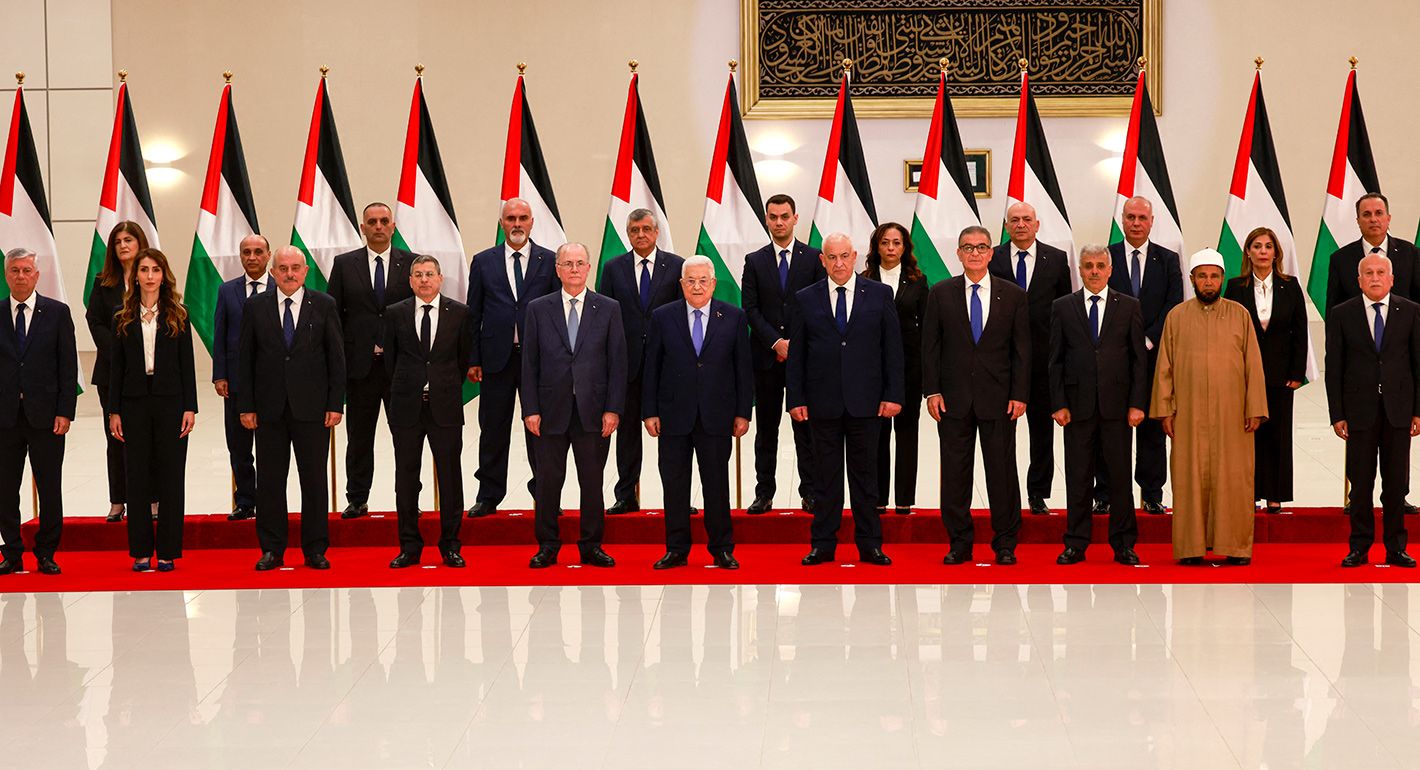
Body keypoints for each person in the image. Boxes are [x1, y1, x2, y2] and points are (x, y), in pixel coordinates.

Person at [788, 233, 904, 565]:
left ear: (854, 257)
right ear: (822, 261)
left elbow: (892, 349)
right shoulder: (805, 298)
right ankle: (823, 543)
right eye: (831, 258)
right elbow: (797, 354)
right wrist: (795, 398)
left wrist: (893, 394)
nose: (838, 264)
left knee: (866, 477)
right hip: (820, 403)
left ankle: (870, 544)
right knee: (825, 478)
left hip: (866, 403)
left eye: (844, 256)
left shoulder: (880, 294)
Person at [1151, 248, 1268, 565]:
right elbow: (1165, 366)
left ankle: (1236, 547)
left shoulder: (1239, 315)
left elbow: (1253, 365)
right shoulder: (1177, 316)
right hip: (1188, 415)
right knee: (1189, 479)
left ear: (1222, 279)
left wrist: (1254, 406)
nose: (1208, 282)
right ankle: (1190, 548)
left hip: (1233, 416)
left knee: (1234, 480)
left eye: (1214, 276)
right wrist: (1164, 409)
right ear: (1192, 280)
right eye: (1202, 276)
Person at [923, 226, 1031, 565]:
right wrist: (932, 391)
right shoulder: (940, 293)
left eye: (981, 247)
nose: (974, 253)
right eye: (967, 247)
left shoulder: (1013, 295)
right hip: (952, 399)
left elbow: (1022, 351)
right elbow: (930, 348)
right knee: (955, 473)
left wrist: (1019, 394)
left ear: (991, 253)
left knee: (1001, 471)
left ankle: (1005, 542)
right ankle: (959, 542)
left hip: (999, 399)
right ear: (958, 253)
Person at [236, 246, 345, 571]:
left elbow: (336, 357)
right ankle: (272, 549)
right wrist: (247, 406)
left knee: (313, 480)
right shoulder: (256, 307)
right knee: (270, 481)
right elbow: (246, 358)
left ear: (305, 271)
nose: (289, 274)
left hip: (312, 409)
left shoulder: (324, 305)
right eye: (282, 268)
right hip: (269, 409)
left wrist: (334, 403)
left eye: (295, 268)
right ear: (273, 272)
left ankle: (315, 549)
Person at [641, 255, 752, 569]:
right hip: (673, 416)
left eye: (703, 280)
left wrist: (743, 412)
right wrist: (649, 411)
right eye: (691, 280)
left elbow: (743, 369)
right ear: (681, 284)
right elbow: (653, 367)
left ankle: (721, 548)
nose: (697, 286)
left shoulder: (734, 317)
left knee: (716, 484)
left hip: (717, 416)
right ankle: (676, 549)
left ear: (714, 283)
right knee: (675, 485)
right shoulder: (663, 317)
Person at [521, 243, 626, 569]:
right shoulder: (539, 308)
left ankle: (591, 545)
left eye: (580, 263)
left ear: (589, 267)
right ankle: (548, 545)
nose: (574, 269)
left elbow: (617, 362)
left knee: (592, 482)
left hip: (594, 411)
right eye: (568, 263)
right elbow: (529, 363)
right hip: (550, 410)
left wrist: (613, 408)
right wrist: (530, 409)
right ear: (557, 269)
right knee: (548, 481)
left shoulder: (608, 308)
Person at [1048, 245, 1148, 565]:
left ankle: (1123, 544)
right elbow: (1055, 361)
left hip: (1117, 409)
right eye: (1088, 265)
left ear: (1110, 270)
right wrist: (1059, 403)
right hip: (1076, 409)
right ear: (1080, 269)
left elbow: (1138, 361)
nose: (1094, 271)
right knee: (1078, 478)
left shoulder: (1129, 306)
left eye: (1100, 265)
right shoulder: (1063, 307)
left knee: (1119, 478)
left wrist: (1137, 404)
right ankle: (1076, 543)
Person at [465, 198, 561, 518]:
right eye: (510, 219)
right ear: (502, 223)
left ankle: (545, 492)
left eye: (523, 218)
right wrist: (473, 358)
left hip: (540, 361)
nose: (517, 224)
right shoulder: (483, 261)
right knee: (493, 429)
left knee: (541, 429)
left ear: (532, 222)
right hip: (495, 360)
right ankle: (489, 493)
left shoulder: (550, 261)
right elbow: (474, 313)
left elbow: (558, 313)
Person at [1327, 253, 1420, 568]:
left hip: (1398, 410)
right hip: (1358, 412)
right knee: (1361, 484)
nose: (1376, 277)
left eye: (1382, 272)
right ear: (1359, 280)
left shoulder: (1411, 312)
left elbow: (1418, 365)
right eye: (1369, 273)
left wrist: (1418, 410)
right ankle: (1359, 547)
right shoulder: (1342, 314)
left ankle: (1396, 547)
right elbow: (1334, 367)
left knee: (1395, 484)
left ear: (1392, 279)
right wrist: (1337, 413)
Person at [108, 248, 197, 572]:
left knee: (172, 476)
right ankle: (142, 551)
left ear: (164, 275)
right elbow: (115, 368)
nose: (149, 276)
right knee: (138, 477)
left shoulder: (178, 314)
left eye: (155, 270)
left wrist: (190, 407)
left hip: (171, 402)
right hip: (133, 404)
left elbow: (187, 366)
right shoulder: (123, 316)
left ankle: (169, 550)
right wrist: (113, 410)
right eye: (143, 270)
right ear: (136, 276)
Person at [383, 255, 473, 569]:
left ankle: (450, 546)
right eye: (418, 274)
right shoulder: (395, 314)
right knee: (406, 479)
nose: (424, 280)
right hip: (406, 406)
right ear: (410, 280)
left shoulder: (460, 313)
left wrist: (440, 385)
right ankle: (409, 547)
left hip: (445, 407)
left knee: (450, 477)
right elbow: (390, 361)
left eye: (429, 274)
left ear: (440, 278)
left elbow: (462, 361)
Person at [326, 202, 414, 519]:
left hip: (400, 367)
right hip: (359, 367)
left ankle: (408, 499)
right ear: (363, 227)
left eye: (384, 221)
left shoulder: (412, 264)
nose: (378, 226)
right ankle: (357, 498)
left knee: (406, 437)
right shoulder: (345, 264)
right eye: (372, 222)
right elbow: (333, 317)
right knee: (359, 438)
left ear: (393, 226)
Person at [741, 193, 825, 514]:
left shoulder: (814, 258)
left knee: (806, 428)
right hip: (765, 359)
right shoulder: (755, 260)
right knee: (766, 430)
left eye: (784, 216)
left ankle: (811, 492)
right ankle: (764, 492)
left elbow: (818, 307)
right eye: (773, 217)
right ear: (766, 219)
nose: (779, 222)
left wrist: (795, 346)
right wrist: (776, 342)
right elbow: (750, 309)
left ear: (795, 218)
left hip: (804, 361)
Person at [597, 208, 684, 515]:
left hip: (666, 366)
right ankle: (625, 494)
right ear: (628, 233)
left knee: (673, 436)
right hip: (627, 364)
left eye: (647, 229)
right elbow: (602, 317)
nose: (641, 235)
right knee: (628, 434)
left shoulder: (676, 266)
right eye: (635, 230)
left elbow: (681, 317)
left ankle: (677, 498)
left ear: (657, 232)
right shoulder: (612, 268)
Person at [990, 202, 1072, 514]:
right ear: (1007, 226)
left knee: (1042, 431)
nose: (1021, 224)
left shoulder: (1056, 258)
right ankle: (1005, 492)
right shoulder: (993, 257)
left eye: (1027, 219)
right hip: (1001, 360)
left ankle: (1038, 492)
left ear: (1037, 224)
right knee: (1001, 432)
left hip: (1043, 360)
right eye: (1015, 220)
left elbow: (1064, 308)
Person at [0, 248, 77, 576]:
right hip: (4, 418)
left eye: (26, 270)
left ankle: (46, 552)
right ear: (7, 275)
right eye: (15, 270)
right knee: (4, 488)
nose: (20, 276)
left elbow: (67, 365)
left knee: (49, 486)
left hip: (46, 417)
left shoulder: (57, 313)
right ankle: (12, 552)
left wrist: (65, 411)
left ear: (37, 274)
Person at [1223, 227, 1309, 514]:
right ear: (1248, 251)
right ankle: (1251, 492)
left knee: (1278, 434)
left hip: (1281, 374)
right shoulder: (1236, 287)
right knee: (1247, 434)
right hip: (1244, 374)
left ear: (1276, 253)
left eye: (1268, 246)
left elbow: (1300, 331)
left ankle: (1276, 494)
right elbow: (1228, 331)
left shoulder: (1290, 285)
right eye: (1257, 246)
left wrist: (1297, 373)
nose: (1262, 251)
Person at [1106, 196, 1183, 515]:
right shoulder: (1106, 258)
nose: (1136, 223)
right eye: (1130, 217)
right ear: (1121, 221)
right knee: (1111, 429)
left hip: (1154, 358)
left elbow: (1173, 303)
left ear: (1152, 222)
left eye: (1142, 218)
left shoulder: (1166, 259)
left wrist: (1149, 339)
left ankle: (1152, 492)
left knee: (1152, 428)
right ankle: (1106, 492)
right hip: (1112, 359)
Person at [862, 222, 929, 515]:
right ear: (877, 246)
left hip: (909, 367)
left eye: (897, 243)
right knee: (877, 435)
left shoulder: (918, 280)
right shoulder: (863, 279)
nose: (891, 248)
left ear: (905, 247)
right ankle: (877, 499)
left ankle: (904, 500)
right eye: (885, 243)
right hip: (873, 369)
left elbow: (926, 328)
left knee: (907, 433)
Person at [85, 221, 147, 523]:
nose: (123, 245)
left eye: (129, 240)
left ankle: (151, 499)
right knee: (116, 437)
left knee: (147, 438)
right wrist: (118, 352)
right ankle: (118, 501)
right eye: (118, 241)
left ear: (139, 243)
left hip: (147, 372)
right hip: (111, 373)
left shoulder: (150, 278)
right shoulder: (103, 282)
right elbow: (94, 320)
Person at [211, 234, 272, 521]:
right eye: (246, 252)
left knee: (271, 446)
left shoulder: (280, 287)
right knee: (239, 445)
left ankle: (271, 501)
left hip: (273, 383)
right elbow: (220, 335)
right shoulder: (227, 291)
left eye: (258, 251)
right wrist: (219, 374)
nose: (252, 257)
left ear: (268, 256)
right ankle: (245, 500)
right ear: (240, 256)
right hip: (236, 382)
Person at [1326, 192, 1420, 311]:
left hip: (1403, 328)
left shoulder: (1410, 254)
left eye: (1379, 213)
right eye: (1366, 214)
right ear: (1358, 221)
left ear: (1388, 218)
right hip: (1357, 328)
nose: (1373, 219)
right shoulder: (1341, 259)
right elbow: (1333, 310)